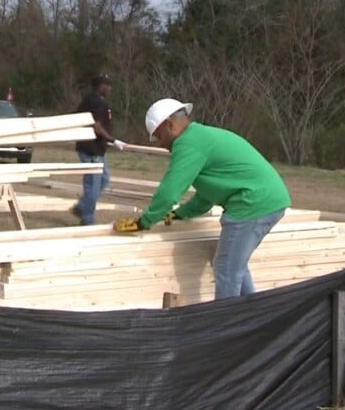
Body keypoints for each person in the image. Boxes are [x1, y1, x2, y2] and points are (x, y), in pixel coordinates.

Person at [112, 98, 291, 301]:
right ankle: (255, 316)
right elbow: (206, 197)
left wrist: (144, 222)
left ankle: (227, 327)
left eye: (159, 136)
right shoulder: (201, 137)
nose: (161, 144)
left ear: (170, 125)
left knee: (226, 270)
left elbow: (170, 191)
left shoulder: (188, 143)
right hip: (266, 200)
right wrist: (179, 213)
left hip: (252, 204)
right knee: (234, 266)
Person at [71, 73, 126, 226]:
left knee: (104, 179)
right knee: (93, 183)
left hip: (95, 149)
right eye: (107, 85)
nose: (110, 88)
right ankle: (87, 219)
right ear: (100, 86)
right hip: (91, 149)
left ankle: (82, 207)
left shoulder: (87, 100)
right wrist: (113, 140)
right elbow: (96, 127)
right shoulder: (97, 103)